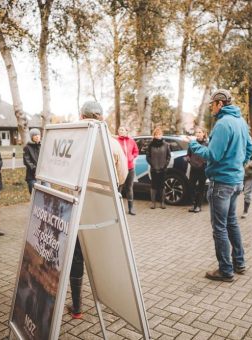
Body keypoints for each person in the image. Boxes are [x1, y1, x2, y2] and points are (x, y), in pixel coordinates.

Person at [69, 101, 128, 319]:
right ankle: (112, 300)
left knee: (76, 255)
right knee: (104, 252)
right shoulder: (113, 144)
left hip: (79, 205)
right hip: (104, 208)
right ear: (101, 117)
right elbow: (121, 176)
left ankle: (76, 307)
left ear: (82, 117)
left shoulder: (74, 140)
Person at [189, 89, 252, 282]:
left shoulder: (223, 124)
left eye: (212, 105)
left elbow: (213, 155)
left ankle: (225, 270)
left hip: (221, 183)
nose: (211, 108)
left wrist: (194, 146)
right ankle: (239, 263)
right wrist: (237, 166)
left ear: (220, 104)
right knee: (231, 222)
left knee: (220, 228)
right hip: (235, 182)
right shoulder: (241, 122)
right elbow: (249, 149)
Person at [146, 127, 171, 209]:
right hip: (153, 169)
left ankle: (162, 203)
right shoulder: (150, 145)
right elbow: (148, 156)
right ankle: (153, 203)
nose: (158, 136)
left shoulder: (166, 144)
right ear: (154, 135)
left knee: (162, 186)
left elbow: (168, 156)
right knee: (153, 186)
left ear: (162, 135)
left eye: (159, 134)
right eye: (156, 134)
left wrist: (165, 165)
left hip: (163, 169)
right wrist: (152, 165)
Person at [117, 126, 139, 215]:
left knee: (129, 188)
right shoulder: (116, 141)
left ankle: (131, 208)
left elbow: (136, 151)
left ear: (126, 131)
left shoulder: (131, 141)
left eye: (122, 130)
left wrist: (132, 157)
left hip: (130, 168)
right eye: (119, 130)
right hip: (120, 168)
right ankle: (117, 209)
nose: (120, 131)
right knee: (119, 188)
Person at [187, 127, 208, 213]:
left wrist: (204, 163)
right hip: (194, 168)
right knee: (191, 186)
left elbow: (208, 155)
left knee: (201, 187)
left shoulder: (207, 143)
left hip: (203, 168)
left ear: (204, 133)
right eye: (197, 132)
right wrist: (190, 161)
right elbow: (188, 154)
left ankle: (198, 206)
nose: (198, 134)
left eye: (200, 132)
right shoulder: (193, 143)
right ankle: (194, 204)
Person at [23, 128, 41, 194]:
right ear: (31, 137)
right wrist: (35, 169)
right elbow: (26, 161)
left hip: (43, 176)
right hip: (32, 177)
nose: (37, 136)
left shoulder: (42, 146)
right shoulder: (27, 147)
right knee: (35, 195)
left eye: (38, 135)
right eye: (35, 135)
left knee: (47, 194)